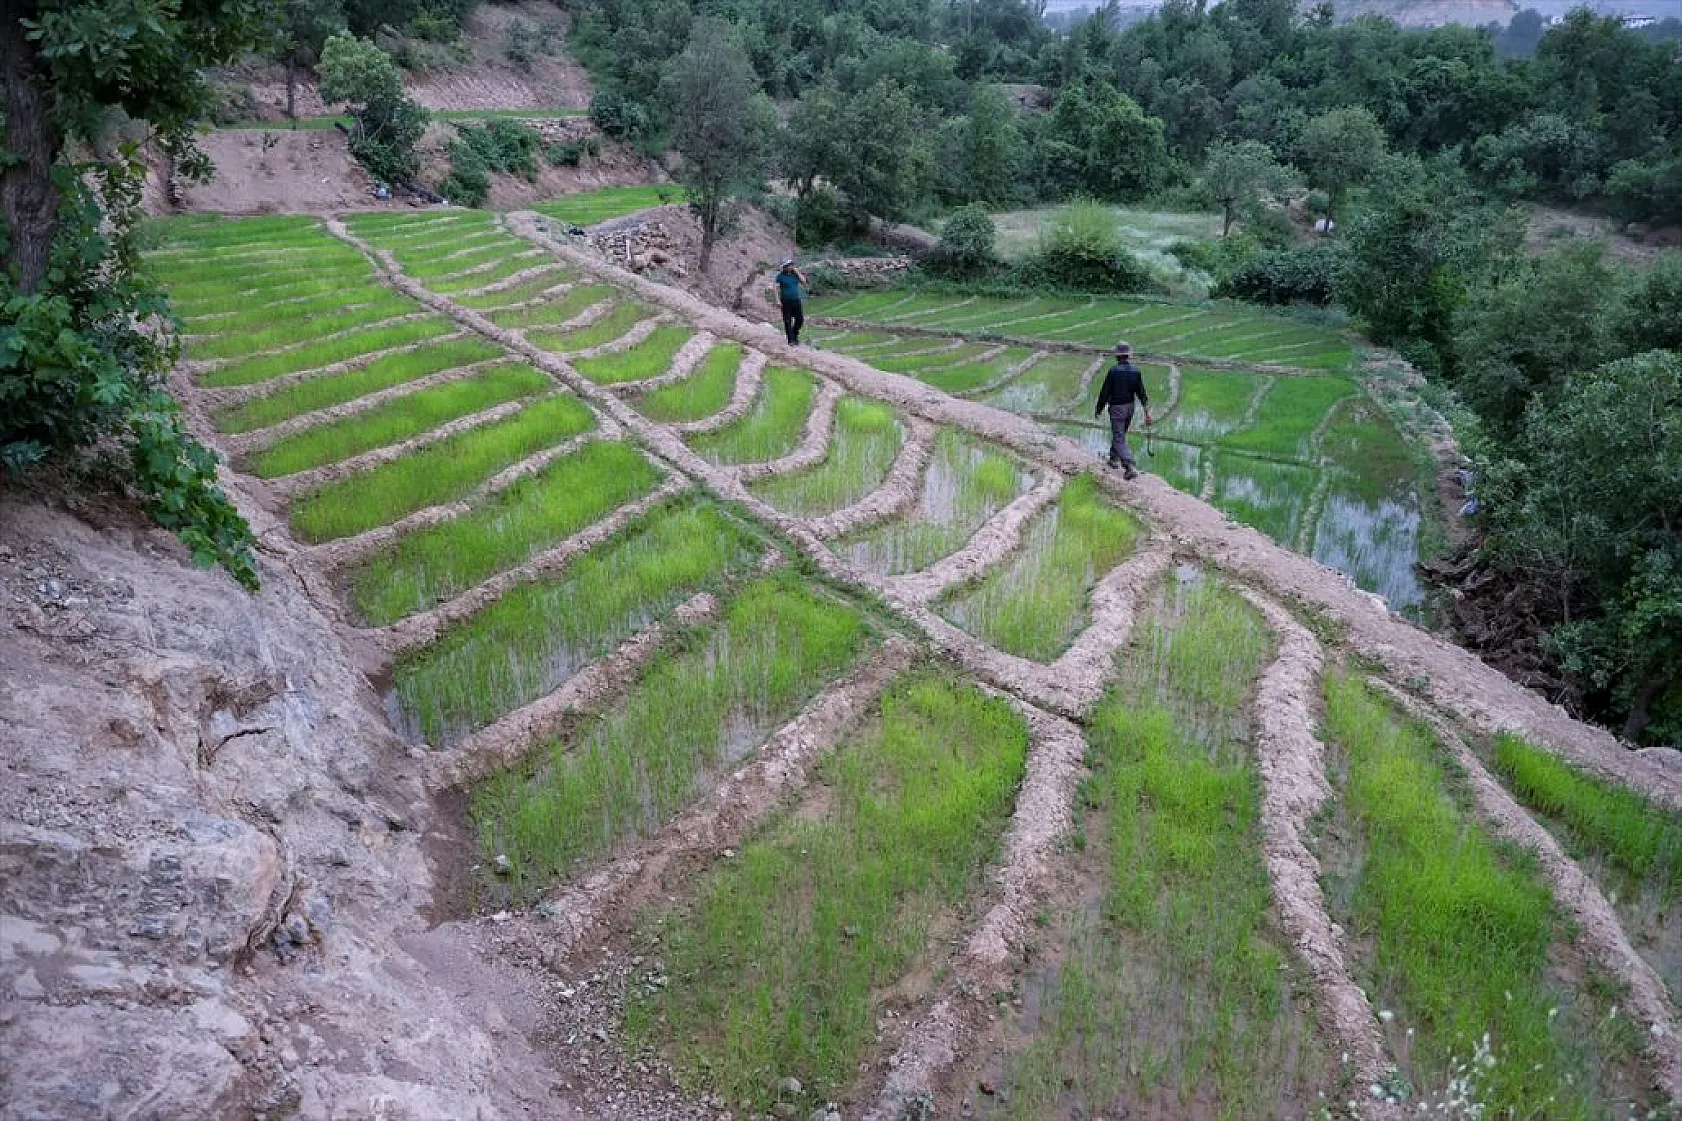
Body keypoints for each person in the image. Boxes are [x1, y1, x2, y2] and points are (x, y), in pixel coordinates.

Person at [1094, 341, 1152, 479]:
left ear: (1117, 356)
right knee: (1120, 434)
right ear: (1128, 355)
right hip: (1130, 408)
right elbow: (1142, 394)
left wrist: (1099, 408)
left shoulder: (1113, 371)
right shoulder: (1136, 371)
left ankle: (1129, 466)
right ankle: (1113, 459)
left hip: (1117, 408)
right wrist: (1147, 413)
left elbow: (1105, 392)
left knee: (1118, 436)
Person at [775, 258, 807, 346]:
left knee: (800, 319)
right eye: (789, 265)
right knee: (787, 320)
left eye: (791, 265)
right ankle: (791, 340)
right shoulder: (780, 276)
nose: (791, 267)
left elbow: (803, 281)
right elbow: (776, 288)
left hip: (796, 300)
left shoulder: (795, 274)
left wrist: (797, 271)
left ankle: (794, 333)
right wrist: (777, 300)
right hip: (786, 301)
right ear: (784, 267)